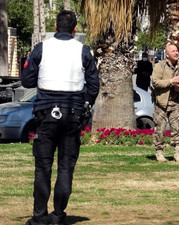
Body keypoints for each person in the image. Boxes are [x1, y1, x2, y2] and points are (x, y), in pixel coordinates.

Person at [21, 10, 99, 225]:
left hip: (46, 114)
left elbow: (27, 81)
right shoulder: (83, 51)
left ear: (56, 26)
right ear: (75, 29)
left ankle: (39, 216)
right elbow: (94, 85)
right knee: (66, 166)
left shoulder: (42, 48)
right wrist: (86, 105)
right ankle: (57, 215)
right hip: (72, 114)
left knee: (43, 166)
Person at [151, 44, 179, 162]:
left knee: (176, 129)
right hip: (161, 103)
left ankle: (177, 153)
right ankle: (159, 152)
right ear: (167, 54)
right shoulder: (159, 66)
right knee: (160, 129)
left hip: (175, 102)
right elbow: (155, 82)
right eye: (173, 51)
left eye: (177, 50)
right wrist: (171, 82)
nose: (176, 53)